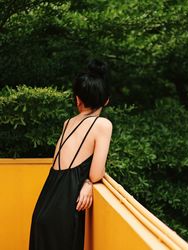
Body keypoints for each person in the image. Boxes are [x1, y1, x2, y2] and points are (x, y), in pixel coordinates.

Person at [29, 59, 113, 250]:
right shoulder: (102, 125)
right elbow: (96, 174)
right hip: (64, 211)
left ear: (77, 99)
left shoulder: (68, 122)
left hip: (44, 205)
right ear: (106, 100)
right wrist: (88, 182)